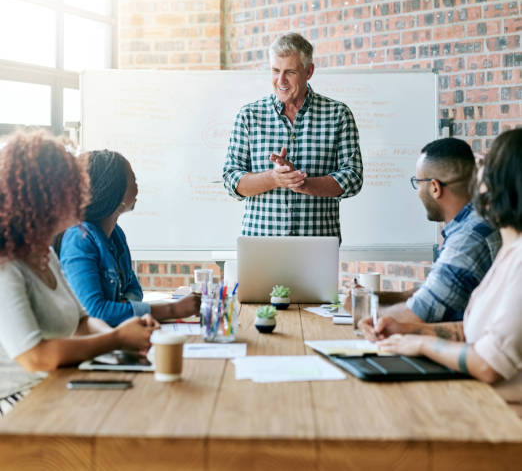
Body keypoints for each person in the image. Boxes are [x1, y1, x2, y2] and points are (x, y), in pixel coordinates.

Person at [0, 132, 158, 415]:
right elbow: (35, 356)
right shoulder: (6, 267)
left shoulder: (44, 254)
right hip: (18, 400)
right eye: (70, 188)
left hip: (56, 383)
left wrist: (122, 338)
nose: (81, 195)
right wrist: (117, 340)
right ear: (40, 197)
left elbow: (83, 322)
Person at [373, 128, 522, 407]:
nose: (476, 183)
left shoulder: (513, 257)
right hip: (480, 400)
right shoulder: (510, 251)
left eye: (484, 172)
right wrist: (406, 331)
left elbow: (489, 362)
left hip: (504, 420)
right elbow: (474, 331)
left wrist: (421, 344)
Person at [223, 32, 363, 242]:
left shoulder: (338, 114)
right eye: (275, 71)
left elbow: (353, 178)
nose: (281, 81)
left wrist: (302, 184)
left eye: (290, 72)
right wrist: (274, 179)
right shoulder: (249, 116)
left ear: (309, 71)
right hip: (261, 245)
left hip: (318, 244)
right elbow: (231, 181)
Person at [358, 138, 501, 330]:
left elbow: (416, 316)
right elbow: (438, 291)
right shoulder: (476, 222)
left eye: (418, 182)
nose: (418, 191)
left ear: (435, 187)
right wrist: (373, 296)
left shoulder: (467, 239)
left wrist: (360, 308)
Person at [59, 150, 200, 327]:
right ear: (114, 190)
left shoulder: (116, 234)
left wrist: (120, 307)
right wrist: (173, 310)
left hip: (119, 335)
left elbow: (134, 289)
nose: (137, 186)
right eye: (133, 180)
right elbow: (96, 312)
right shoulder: (80, 239)